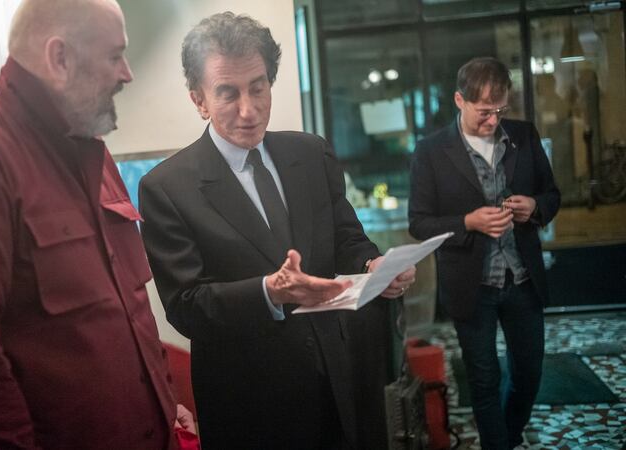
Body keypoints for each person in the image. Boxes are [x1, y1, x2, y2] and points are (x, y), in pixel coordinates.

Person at [0, 0, 194, 448]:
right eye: (114, 55)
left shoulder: (90, 150)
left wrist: (165, 404)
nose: (127, 73)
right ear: (60, 58)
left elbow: (124, 314)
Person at [138, 12, 415, 450]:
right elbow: (186, 306)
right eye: (227, 93)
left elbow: (347, 238)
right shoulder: (167, 188)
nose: (249, 110)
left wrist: (374, 264)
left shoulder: (309, 152)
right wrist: (270, 291)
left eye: (259, 87)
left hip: (340, 376)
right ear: (199, 100)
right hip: (250, 399)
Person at [408, 57, 560, 450]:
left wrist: (535, 207)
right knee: (483, 379)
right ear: (460, 100)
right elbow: (419, 223)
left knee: (529, 375)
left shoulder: (524, 135)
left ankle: (503, 440)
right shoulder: (430, 151)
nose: (493, 121)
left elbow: (553, 194)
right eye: (484, 112)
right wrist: (468, 222)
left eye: (500, 111)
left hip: (523, 279)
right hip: (471, 285)